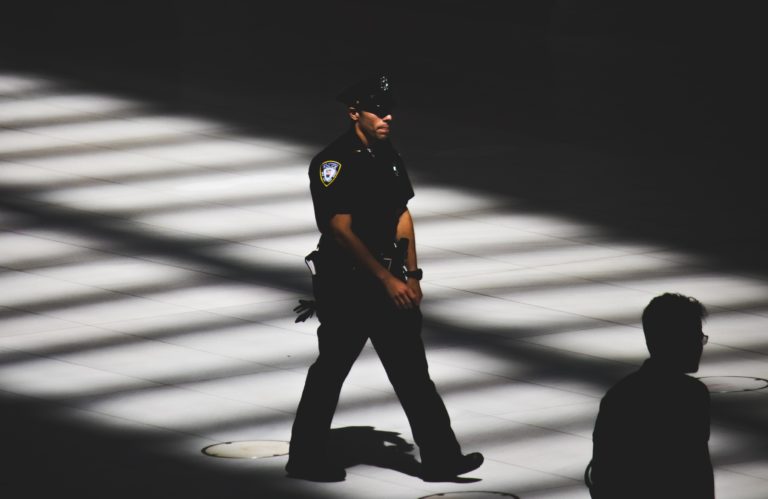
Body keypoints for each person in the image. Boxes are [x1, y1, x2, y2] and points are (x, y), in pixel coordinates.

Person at [286, 74, 483, 482]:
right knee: (331, 371)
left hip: (388, 280)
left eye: (390, 108)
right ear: (354, 111)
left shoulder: (386, 153)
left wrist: (412, 274)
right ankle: (304, 457)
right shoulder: (333, 162)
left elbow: (401, 214)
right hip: (348, 285)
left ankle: (442, 457)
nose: (389, 115)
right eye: (379, 109)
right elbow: (340, 230)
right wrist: (387, 280)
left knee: (412, 371)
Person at [586, 292, 715, 498]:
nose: (700, 345)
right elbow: (698, 472)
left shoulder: (619, 397)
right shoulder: (693, 396)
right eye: (695, 337)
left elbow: (603, 475)